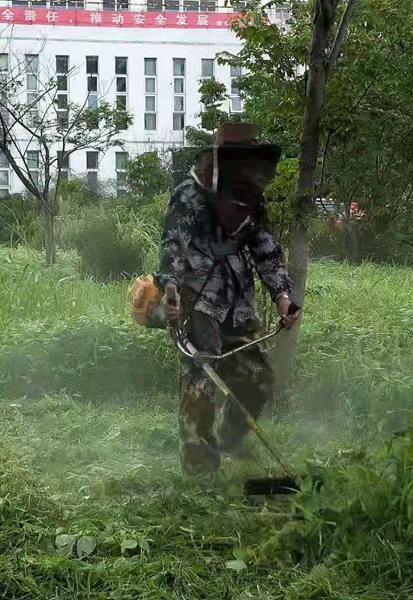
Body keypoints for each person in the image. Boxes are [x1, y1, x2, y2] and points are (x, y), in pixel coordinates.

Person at [155, 122, 300, 476]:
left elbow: (265, 248)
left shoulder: (251, 198)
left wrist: (282, 295)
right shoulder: (188, 195)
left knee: (258, 380)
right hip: (197, 305)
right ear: (220, 159)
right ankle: (200, 475)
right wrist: (170, 291)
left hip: (238, 305)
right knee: (201, 386)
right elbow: (172, 248)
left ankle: (225, 441)